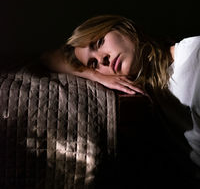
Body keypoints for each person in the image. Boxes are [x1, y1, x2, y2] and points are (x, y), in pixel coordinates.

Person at [41, 14, 200, 174]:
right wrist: (97, 76)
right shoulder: (150, 85)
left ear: (123, 28)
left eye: (99, 42)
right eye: (93, 63)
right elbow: (48, 58)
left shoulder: (194, 54)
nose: (103, 59)